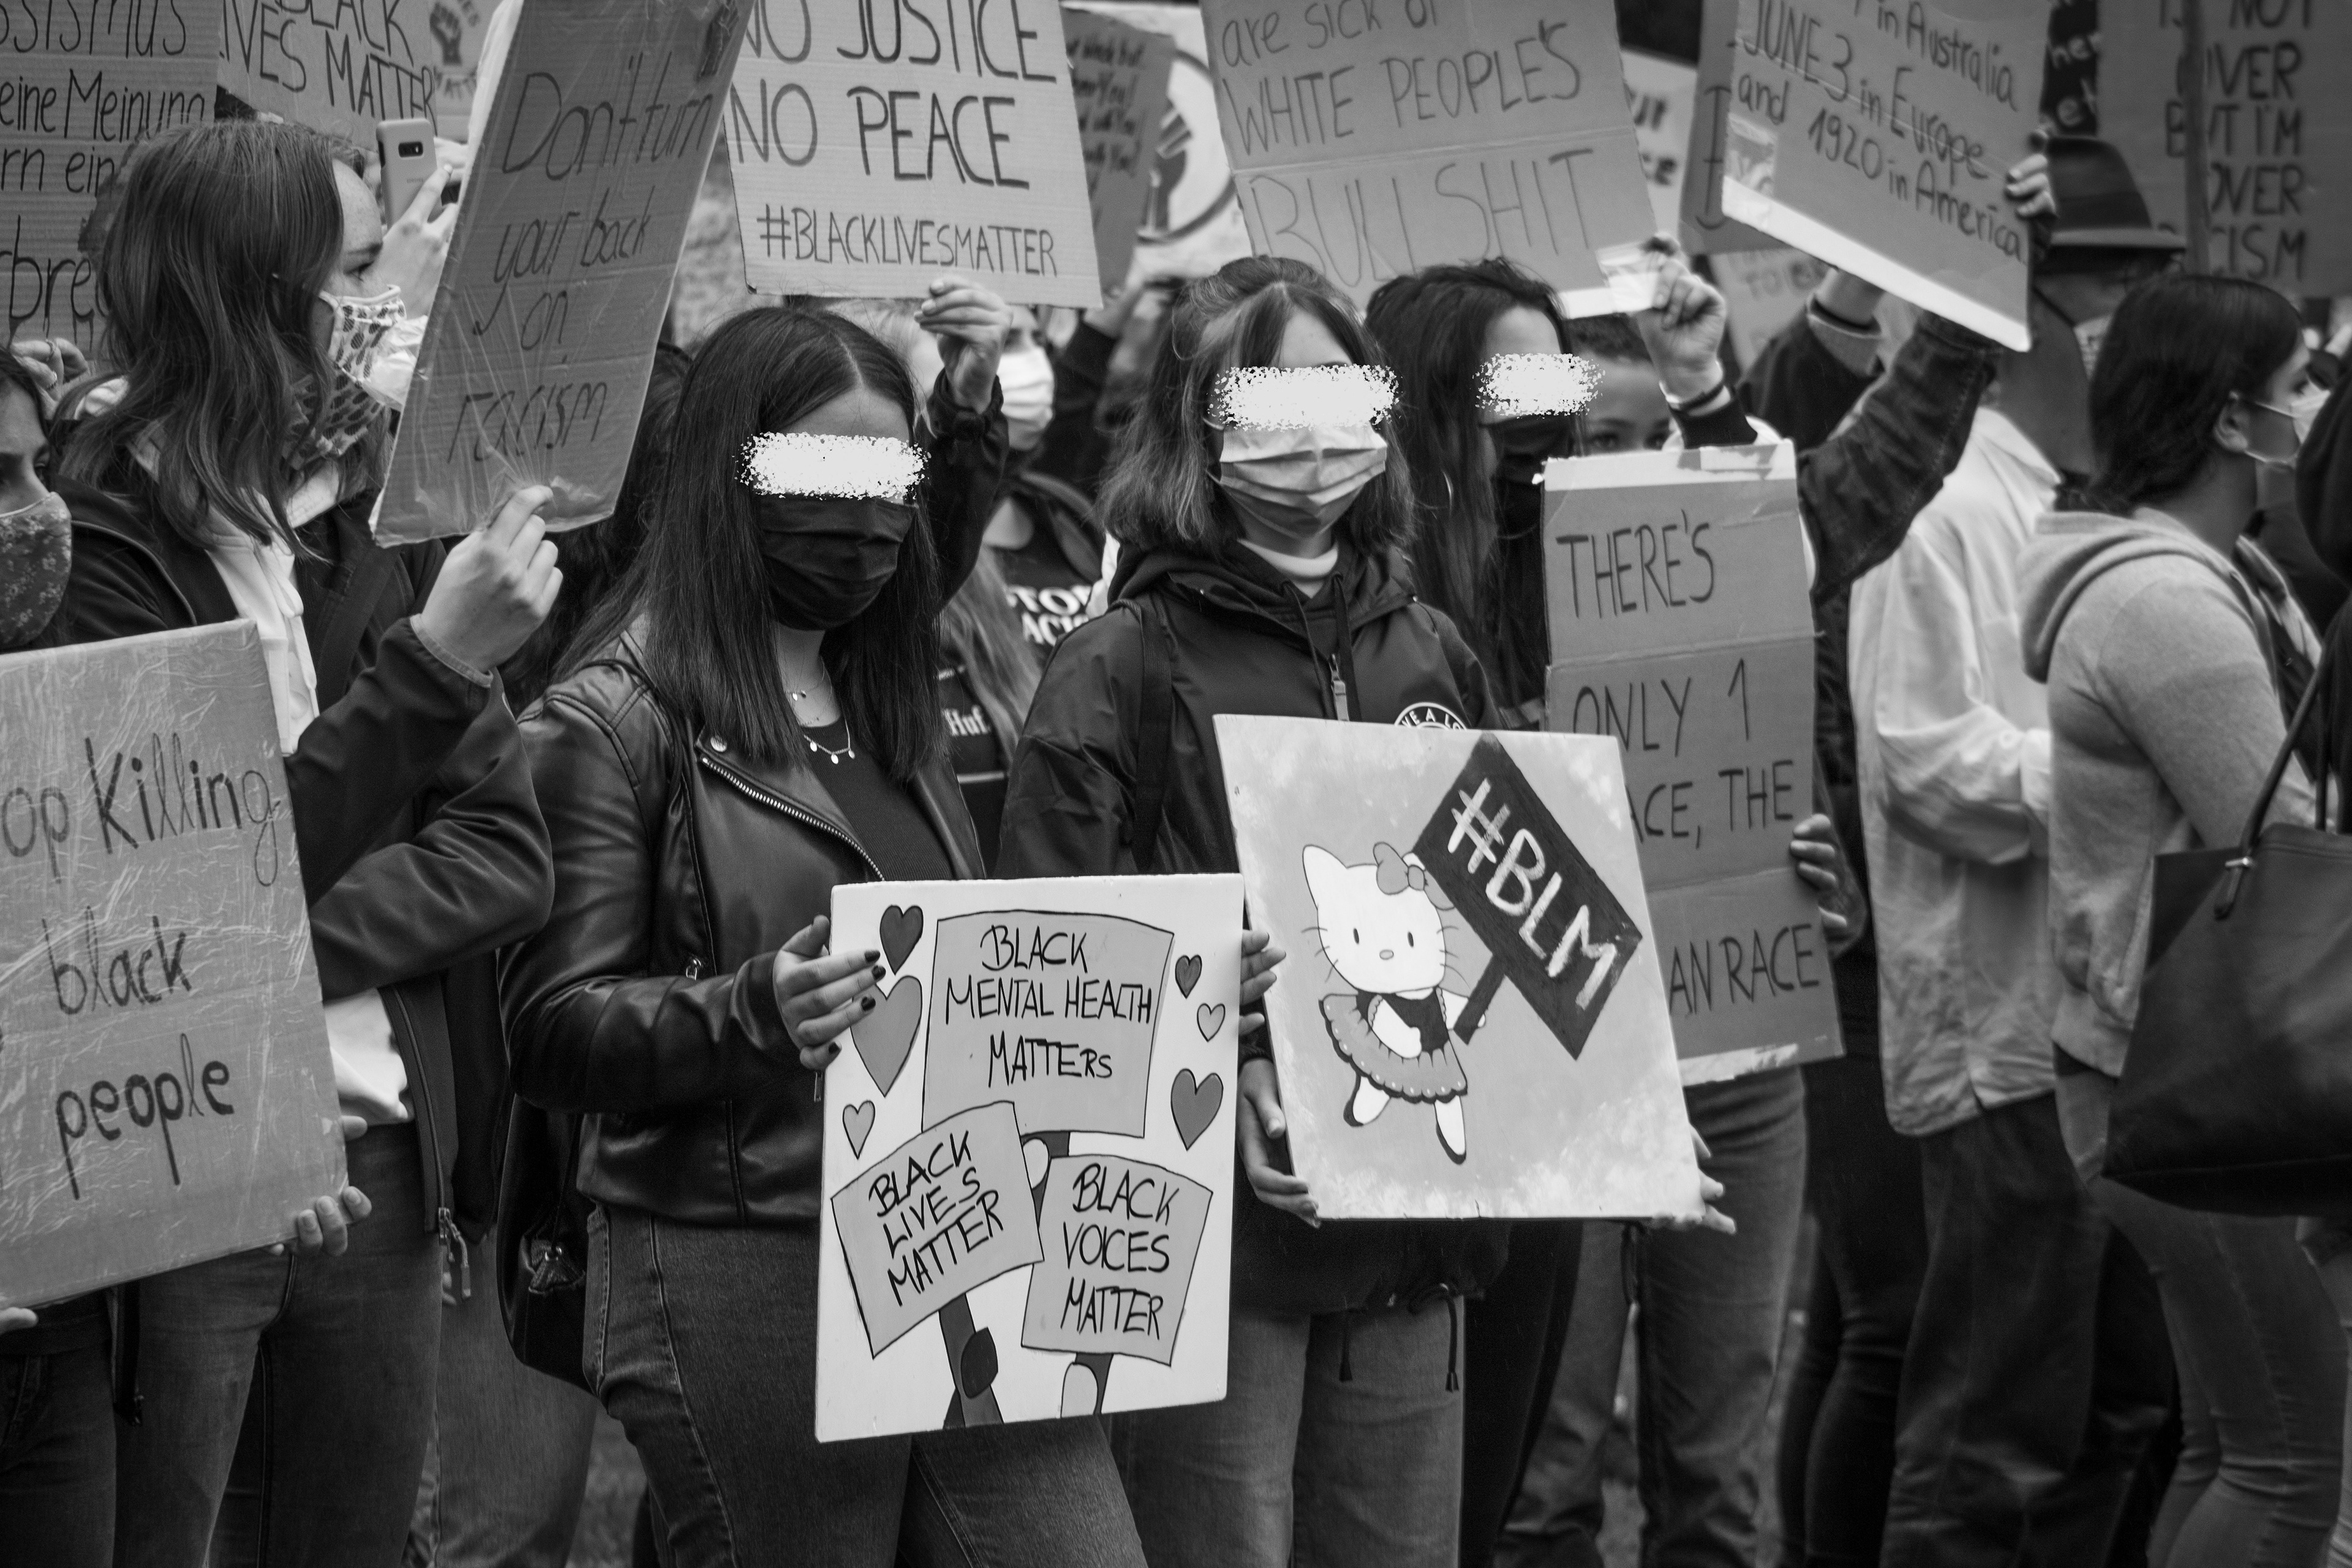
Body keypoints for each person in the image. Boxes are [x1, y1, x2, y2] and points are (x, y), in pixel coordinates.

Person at [502, 305, 1156, 1567]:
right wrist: (751, 1010)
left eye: (889, 475)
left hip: (960, 1234)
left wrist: (1174, 986)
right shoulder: (609, 721)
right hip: (743, 1257)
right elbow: (549, 1028)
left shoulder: (893, 699)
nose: (861, 514)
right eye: (819, 472)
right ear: (726, 476)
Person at [998, 254, 1604, 1567]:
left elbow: (1506, 935)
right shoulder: (1119, 665)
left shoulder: (1433, 649)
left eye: (1339, 391)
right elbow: (1042, 984)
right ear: (1199, 424)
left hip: (1411, 1240)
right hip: (1214, 1254)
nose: (1314, 430)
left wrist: (1617, 1111)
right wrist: (1214, 1050)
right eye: (1269, 398)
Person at [50, 116, 557, 1565]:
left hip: (379, 1162)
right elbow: (162, 895)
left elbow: (502, 850)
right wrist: (430, 667)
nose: (387, 305)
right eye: (360, 271)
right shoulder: (87, 544)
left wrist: (262, 954)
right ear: (255, 297)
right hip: (171, 1178)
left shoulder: (358, 527)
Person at [1852, 137, 2188, 1568]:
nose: (2123, 324)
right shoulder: (1939, 506)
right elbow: (1919, 762)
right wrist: (2120, 761)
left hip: (2108, 1031)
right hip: (2003, 1043)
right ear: (2025, 312)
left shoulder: (2101, 493)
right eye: (2101, 290)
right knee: (1989, 1436)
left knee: (2122, 1407)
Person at [2019, 273, 2345, 1568]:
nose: (2317, 405)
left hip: (2164, 1060)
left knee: (2230, 1447)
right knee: (2289, 1462)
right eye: (2299, 383)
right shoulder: (2167, 603)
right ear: (2228, 418)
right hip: (2189, 1072)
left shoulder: (2221, 571)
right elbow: (2286, 833)